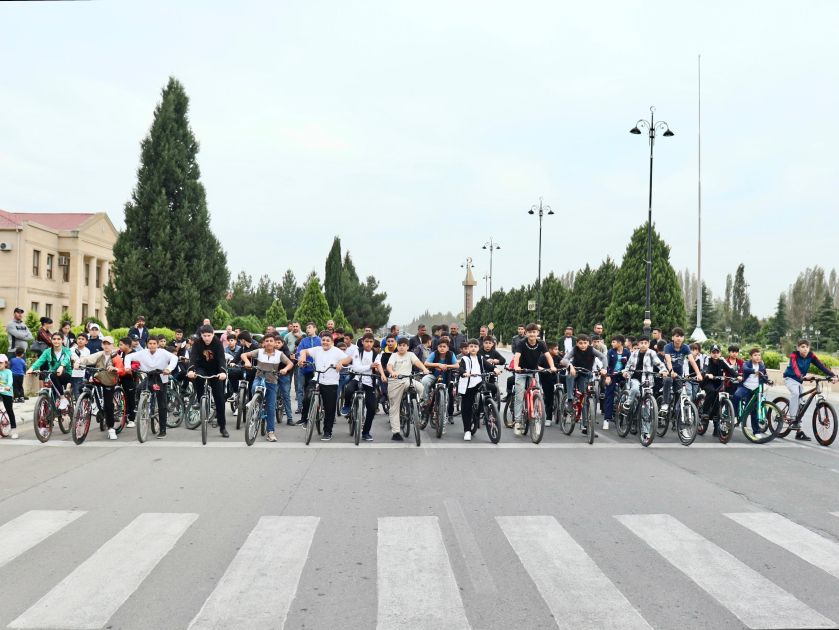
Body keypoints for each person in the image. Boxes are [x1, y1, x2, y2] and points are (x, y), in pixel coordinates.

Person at [298, 331, 352, 441]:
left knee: (330, 408)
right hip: (317, 379)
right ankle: (305, 419)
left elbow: (349, 359)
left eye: (328, 340)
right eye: (323, 340)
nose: (325, 342)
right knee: (307, 397)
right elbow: (304, 351)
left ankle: (328, 431)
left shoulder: (336, 351)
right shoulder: (317, 349)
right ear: (321, 341)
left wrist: (340, 363)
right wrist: (302, 358)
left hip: (331, 382)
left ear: (332, 342)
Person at [241, 332, 294, 442]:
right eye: (267, 341)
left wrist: (285, 369)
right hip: (259, 377)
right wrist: (247, 362)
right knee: (254, 386)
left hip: (272, 381)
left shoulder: (280, 354)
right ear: (263, 343)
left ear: (275, 343)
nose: (269, 343)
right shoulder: (259, 352)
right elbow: (244, 355)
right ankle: (254, 402)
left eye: (271, 341)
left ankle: (270, 432)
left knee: (270, 407)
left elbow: (290, 363)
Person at [783, 339, 838, 441]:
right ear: (798, 348)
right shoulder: (794, 355)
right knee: (795, 394)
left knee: (802, 404)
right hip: (790, 379)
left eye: (807, 347)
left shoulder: (810, 356)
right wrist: (802, 377)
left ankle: (799, 432)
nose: (805, 349)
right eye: (802, 347)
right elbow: (795, 368)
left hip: (799, 381)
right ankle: (793, 418)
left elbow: (821, 366)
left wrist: (833, 375)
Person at [74, 336, 126, 440]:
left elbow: (122, 370)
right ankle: (91, 404)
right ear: (102, 345)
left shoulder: (116, 356)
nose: (106, 346)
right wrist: (78, 362)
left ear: (112, 346)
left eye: (109, 344)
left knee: (108, 405)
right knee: (83, 386)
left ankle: (111, 428)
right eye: (104, 344)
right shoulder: (99, 354)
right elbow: (88, 359)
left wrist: (115, 368)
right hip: (98, 379)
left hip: (109, 381)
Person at [621, 335, 668, 441]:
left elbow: (659, 363)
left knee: (647, 410)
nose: (643, 345)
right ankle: (628, 403)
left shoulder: (652, 353)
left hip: (647, 381)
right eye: (641, 343)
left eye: (645, 343)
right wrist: (625, 372)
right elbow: (628, 366)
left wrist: (664, 371)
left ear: (648, 344)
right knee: (634, 389)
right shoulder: (634, 353)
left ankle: (646, 433)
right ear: (638, 344)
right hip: (634, 378)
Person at [512, 323, 556, 435]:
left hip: (534, 371)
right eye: (530, 332)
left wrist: (552, 366)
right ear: (526, 333)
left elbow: (548, 356)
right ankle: (517, 422)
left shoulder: (541, 343)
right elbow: (517, 356)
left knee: (538, 392)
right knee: (519, 394)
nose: (532, 334)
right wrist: (516, 367)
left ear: (537, 333)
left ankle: (536, 414)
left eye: (534, 332)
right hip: (521, 371)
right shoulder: (522, 343)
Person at [130, 335, 178, 438]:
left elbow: (174, 358)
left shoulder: (163, 352)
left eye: (154, 344)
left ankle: (163, 430)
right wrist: (127, 367)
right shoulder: (143, 352)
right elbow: (129, 356)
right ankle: (140, 407)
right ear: (147, 344)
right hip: (149, 377)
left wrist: (169, 369)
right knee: (138, 388)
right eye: (150, 343)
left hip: (161, 378)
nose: (152, 346)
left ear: (157, 344)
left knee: (162, 404)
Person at [342, 333, 386, 442]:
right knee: (348, 389)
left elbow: (378, 364)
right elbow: (356, 368)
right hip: (357, 378)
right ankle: (347, 406)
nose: (369, 344)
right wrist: (370, 366)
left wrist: (383, 375)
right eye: (367, 341)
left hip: (369, 382)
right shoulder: (358, 351)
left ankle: (366, 432)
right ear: (362, 342)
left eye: (371, 342)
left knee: (371, 408)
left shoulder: (376, 354)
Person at [560, 334, 607, 436]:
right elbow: (564, 359)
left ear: (589, 343)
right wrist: (570, 366)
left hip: (586, 374)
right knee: (570, 376)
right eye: (580, 343)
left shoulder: (592, 350)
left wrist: (604, 368)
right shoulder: (574, 349)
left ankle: (586, 427)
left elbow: (603, 357)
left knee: (586, 398)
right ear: (577, 343)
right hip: (575, 371)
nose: (583, 345)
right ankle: (569, 399)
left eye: (585, 343)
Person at [187, 325, 229, 437]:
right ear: (201, 335)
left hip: (216, 370)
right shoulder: (197, 343)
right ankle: (200, 400)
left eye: (209, 335)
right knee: (198, 377)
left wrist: (223, 372)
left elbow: (221, 358)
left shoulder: (217, 343)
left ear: (213, 334)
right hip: (202, 368)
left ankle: (223, 426)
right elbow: (193, 357)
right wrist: (191, 370)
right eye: (204, 335)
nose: (206, 338)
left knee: (219, 398)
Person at [385, 338, 429, 441]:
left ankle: (420, 406)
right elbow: (389, 366)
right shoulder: (394, 355)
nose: (401, 347)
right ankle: (396, 432)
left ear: (408, 347)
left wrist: (424, 369)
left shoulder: (410, 355)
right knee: (394, 407)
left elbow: (417, 362)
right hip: (395, 382)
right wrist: (392, 372)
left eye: (404, 345)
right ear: (397, 346)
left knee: (421, 387)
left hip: (408, 380)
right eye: (400, 345)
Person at [458, 338, 500, 440]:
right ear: (468, 348)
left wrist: (495, 369)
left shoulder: (480, 358)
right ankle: (467, 430)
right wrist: (464, 373)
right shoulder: (465, 359)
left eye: (475, 346)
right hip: (468, 384)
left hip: (479, 382)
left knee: (494, 388)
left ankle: (486, 406)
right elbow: (461, 368)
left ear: (478, 348)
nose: (473, 348)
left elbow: (488, 366)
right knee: (466, 406)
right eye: (471, 346)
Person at [661, 328, 703, 415]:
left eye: (681, 336)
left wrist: (698, 374)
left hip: (679, 374)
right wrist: (671, 371)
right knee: (668, 380)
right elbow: (668, 361)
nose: (679, 338)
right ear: (673, 337)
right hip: (668, 372)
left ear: (683, 338)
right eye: (677, 336)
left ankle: (675, 413)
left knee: (679, 392)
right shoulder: (667, 347)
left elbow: (692, 361)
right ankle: (664, 404)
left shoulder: (685, 347)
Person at [700, 344, 738, 436]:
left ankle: (716, 428)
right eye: (713, 352)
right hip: (707, 382)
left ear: (720, 353)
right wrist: (707, 374)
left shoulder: (722, 360)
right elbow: (704, 369)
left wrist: (738, 376)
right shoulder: (707, 359)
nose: (715, 354)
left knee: (718, 402)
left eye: (717, 352)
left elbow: (730, 369)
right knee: (712, 392)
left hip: (719, 383)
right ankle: (705, 412)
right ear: (710, 353)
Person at [731, 348, 769, 438]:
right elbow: (745, 369)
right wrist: (754, 371)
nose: (757, 357)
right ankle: (735, 416)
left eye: (759, 355)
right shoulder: (747, 363)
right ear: (751, 356)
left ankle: (756, 431)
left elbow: (765, 375)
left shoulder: (762, 365)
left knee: (754, 410)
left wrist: (768, 381)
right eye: (755, 355)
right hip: (745, 387)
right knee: (736, 396)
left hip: (756, 390)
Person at [420, 338, 459, 411]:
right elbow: (426, 363)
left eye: (444, 347)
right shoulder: (434, 353)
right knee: (424, 380)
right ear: (437, 347)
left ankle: (446, 412)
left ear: (448, 348)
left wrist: (446, 366)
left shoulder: (451, 354)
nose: (442, 348)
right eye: (440, 346)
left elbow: (457, 365)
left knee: (449, 393)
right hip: (433, 375)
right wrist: (438, 365)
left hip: (446, 376)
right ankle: (425, 402)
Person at [295, 322, 322, 424]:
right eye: (307, 328)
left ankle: (319, 411)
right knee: (306, 393)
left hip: (318, 371)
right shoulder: (303, 341)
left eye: (310, 328)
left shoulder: (320, 340)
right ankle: (304, 417)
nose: (308, 330)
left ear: (315, 328)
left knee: (320, 393)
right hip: (305, 370)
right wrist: (300, 361)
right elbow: (299, 353)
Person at [603, 335, 630, 430]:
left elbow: (629, 364)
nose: (612, 343)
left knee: (627, 394)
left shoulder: (627, 352)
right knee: (609, 395)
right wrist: (607, 376)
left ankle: (623, 415)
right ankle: (606, 419)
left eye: (614, 342)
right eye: (612, 342)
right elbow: (606, 365)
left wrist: (627, 372)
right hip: (612, 375)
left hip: (622, 375)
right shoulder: (610, 352)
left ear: (620, 343)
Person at [117, 337, 137, 428]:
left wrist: (130, 369)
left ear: (128, 345)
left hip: (130, 379)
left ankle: (132, 419)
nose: (119, 346)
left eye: (121, 344)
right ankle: (122, 415)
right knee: (121, 399)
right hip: (119, 378)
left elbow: (135, 366)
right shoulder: (119, 353)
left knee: (130, 399)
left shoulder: (134, 354)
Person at [539, 342, 562, 423]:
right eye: (555, 349)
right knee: (549, 398)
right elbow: (537, 366)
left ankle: (562, 409)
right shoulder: (542, 357)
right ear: (549, 350)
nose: (557, 351)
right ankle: (548, 417)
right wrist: (544, 369)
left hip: (556, 378)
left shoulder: (558, 357)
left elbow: (563, 363)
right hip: (545, 379)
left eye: (557, 349)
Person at [0, 354, 19, 439]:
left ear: (6, 364)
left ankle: (14, 429)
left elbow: (10, 381)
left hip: (7, 392)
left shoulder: (8, 372)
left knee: (9, 410)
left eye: (0, 363)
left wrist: (8, 386)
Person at [69, 332, 91, 398]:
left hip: (79, 375)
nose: (80, 340)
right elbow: (70, 357)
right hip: (70, 373)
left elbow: (84, 360)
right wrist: (75, 360)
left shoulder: (87, 351)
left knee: (77, 394)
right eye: (79, 338)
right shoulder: (71, 349)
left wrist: (77, 361)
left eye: (82, 339)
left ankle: (79, 407)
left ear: (86, 342)